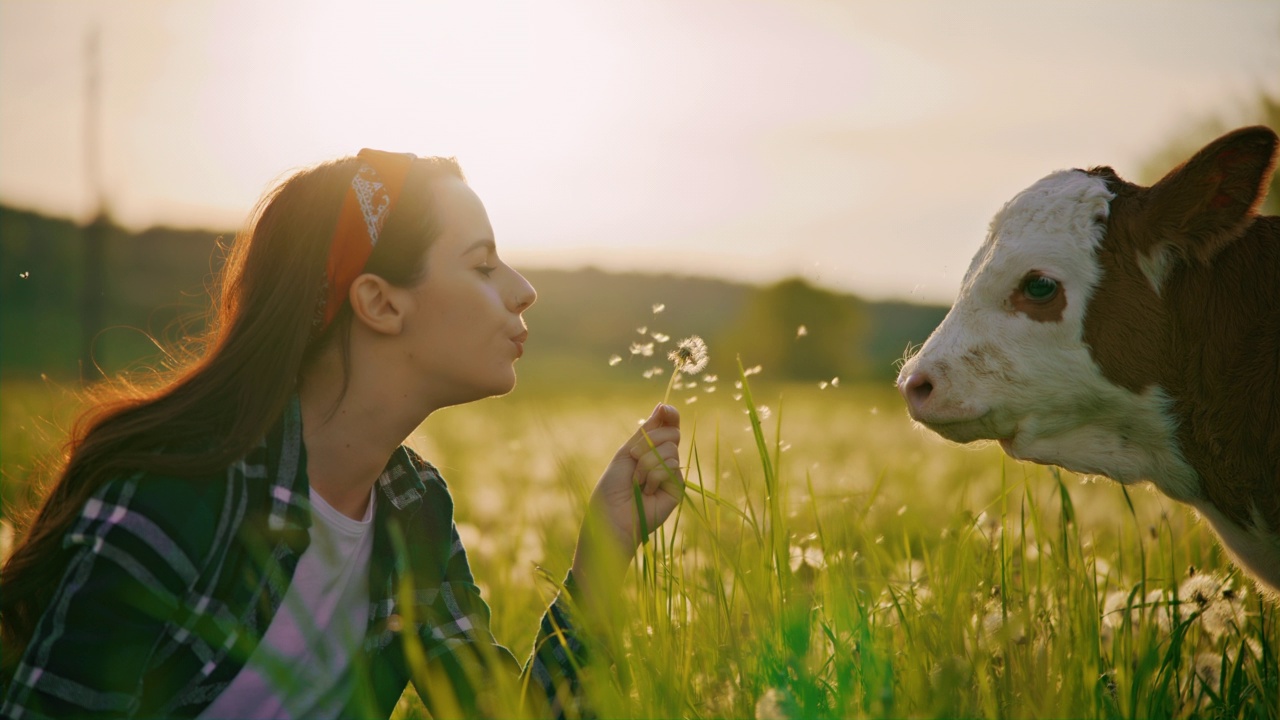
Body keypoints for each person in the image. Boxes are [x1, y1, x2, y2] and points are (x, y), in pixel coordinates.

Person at [0, 150, 685, 718]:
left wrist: (607, 543)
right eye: (482, 266)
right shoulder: (174, 492)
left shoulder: (410, 508)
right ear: (380, 303)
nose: (523, 289)